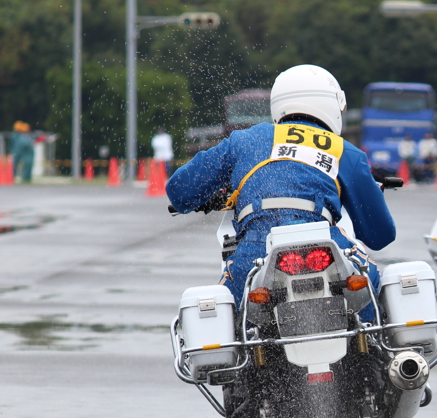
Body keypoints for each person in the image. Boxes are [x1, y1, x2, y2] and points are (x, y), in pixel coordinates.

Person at [166, 64, 395, 313]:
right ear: (333, 105)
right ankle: (383, 350)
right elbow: (380, 236)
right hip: (327, 244)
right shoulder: (346, 152)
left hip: (256, 249)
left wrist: (208, 195)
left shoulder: (245, 139)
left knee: (225, 314)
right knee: (370, 288)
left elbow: (180, 190)